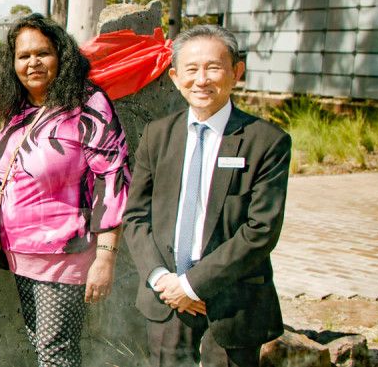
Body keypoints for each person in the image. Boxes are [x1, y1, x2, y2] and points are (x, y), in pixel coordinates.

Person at [0, 14, 131, 366]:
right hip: (19, 253)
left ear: (62, 56)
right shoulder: (21, 109)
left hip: (63, 254)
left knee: (56, 354)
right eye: (23, 56)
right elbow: (8, 169)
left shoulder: (87, 105)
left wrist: (105, 257)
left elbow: (113, 177)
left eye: (43, 53)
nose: (33, 63)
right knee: (43, 347)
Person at [121, 24, 291, 367]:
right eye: (191, 69)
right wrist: (161, 279)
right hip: (167, 297)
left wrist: (192, 285)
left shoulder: (266, 141)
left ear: (236, 72)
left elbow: (261, 231)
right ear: (174, 77)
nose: (201, 80)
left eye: (213, 68)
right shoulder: (157, 135)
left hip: (234, 299)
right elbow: (135, 216)